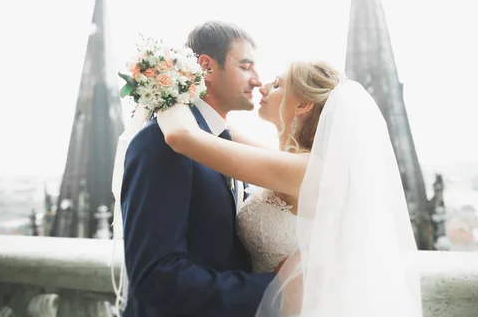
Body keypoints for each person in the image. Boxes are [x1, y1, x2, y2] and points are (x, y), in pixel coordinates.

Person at [156, 60, 424, 316]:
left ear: (303, 104)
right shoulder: (298, 164)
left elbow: (182, 137)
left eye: (277, 85)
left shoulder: (308, 170)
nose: (262, 87)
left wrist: (161, 87)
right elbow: (221, 132)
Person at [116, 21, 276, 317]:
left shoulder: (223, 142)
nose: (257, 80)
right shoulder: (162, 143)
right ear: (206, 67)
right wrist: (274, 292)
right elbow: (155, 275)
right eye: (245, 67)